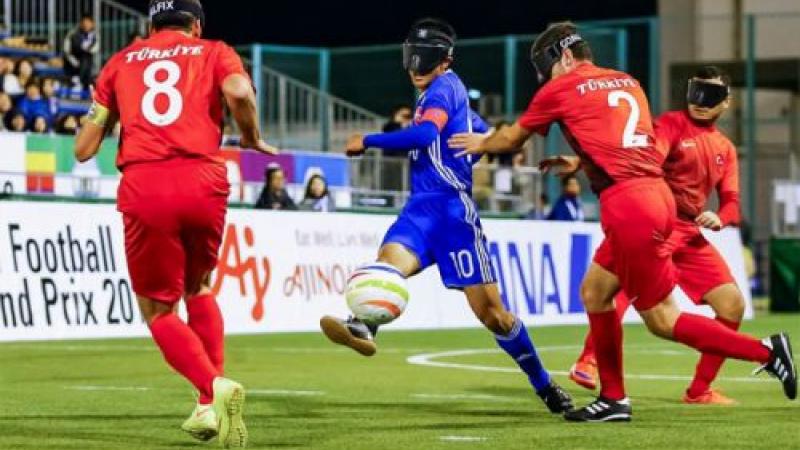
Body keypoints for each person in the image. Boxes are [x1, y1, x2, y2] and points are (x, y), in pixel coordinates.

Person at [449, 21, 796, 422]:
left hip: (629, 206)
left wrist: (481, 142)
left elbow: (511, 140)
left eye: (548, 68)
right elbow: (630, 145)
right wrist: (581, 163)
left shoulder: (559, 88)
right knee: (595, 291)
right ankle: (612, 397)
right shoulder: (627, 82)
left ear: (564, 56)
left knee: (663, 319)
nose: (547, 78)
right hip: (654, 198)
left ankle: (768, 352)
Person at [319, 18, 573, 414]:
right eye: (411, 58)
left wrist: (366, 141)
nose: (415, 68)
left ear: (445, 61)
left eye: (424, 60)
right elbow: (482, 129)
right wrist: (483, 142)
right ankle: (362, 324)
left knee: (495, 316)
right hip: (421, 208)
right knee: (386, 263)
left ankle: (545, 385)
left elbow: (423, 137)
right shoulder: (446, 93)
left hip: (454, 214)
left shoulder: (444, 88)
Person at [74, 1, 277, 446]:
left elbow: (84, 149)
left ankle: (212, 389)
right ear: (196, 24)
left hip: (147, 184)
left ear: (151, 24)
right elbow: (240, 92)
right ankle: (207, 407)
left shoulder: (121, 61)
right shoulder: (214, 51)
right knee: (199, 287)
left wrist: (102, 117)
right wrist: (251, 136)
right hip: (205, 180)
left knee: (159, 311)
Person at [568, 66, 749, 405]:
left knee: (732, 306)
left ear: (726, 102)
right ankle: (587, 362)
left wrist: (720, 218)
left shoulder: (725, 147)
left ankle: (699, 391)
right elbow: (645, 159)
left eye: (709, 96)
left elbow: (733, 203)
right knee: (616, 286)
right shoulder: (669, 125)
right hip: (656, 222)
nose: (699, 102)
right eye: (695, 92)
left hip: (690, 234)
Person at [63, 14, 99, 89]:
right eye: (84, 23)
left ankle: (81, 81)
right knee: (85, 60)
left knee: (86, 58)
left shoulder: (95, 35)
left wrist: (86, 50)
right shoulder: (72, 34)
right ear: (81, 24)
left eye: (88, 23)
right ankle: (80, 81)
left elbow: (95, 49)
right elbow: (66, 51)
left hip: (86, 63)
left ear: (92, 24)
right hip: (72, 62)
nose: (86, 25)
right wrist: (75, 62)